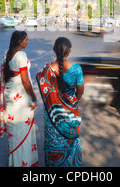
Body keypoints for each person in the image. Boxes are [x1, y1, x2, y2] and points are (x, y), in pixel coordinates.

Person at [36, 37, 83, 167]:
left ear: (54, 50)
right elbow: (80, 92)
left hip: (52, 116)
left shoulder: (46, 69)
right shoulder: (76, 69)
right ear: (69, 51)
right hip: (70, 114)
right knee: (71, 143)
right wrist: (71, 104)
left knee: (53, 144)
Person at [0, 31, 38, 167]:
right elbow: (25, 81)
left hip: (10, 95)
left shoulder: (6, 53)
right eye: (26, 40)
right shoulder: (21, 55)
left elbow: (6, 75)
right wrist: (34, 97)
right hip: (20, 98)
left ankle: (15, 161)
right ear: (20, 41)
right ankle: (24, 163)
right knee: (22, 131)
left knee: (14, 131)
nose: (27, 42)